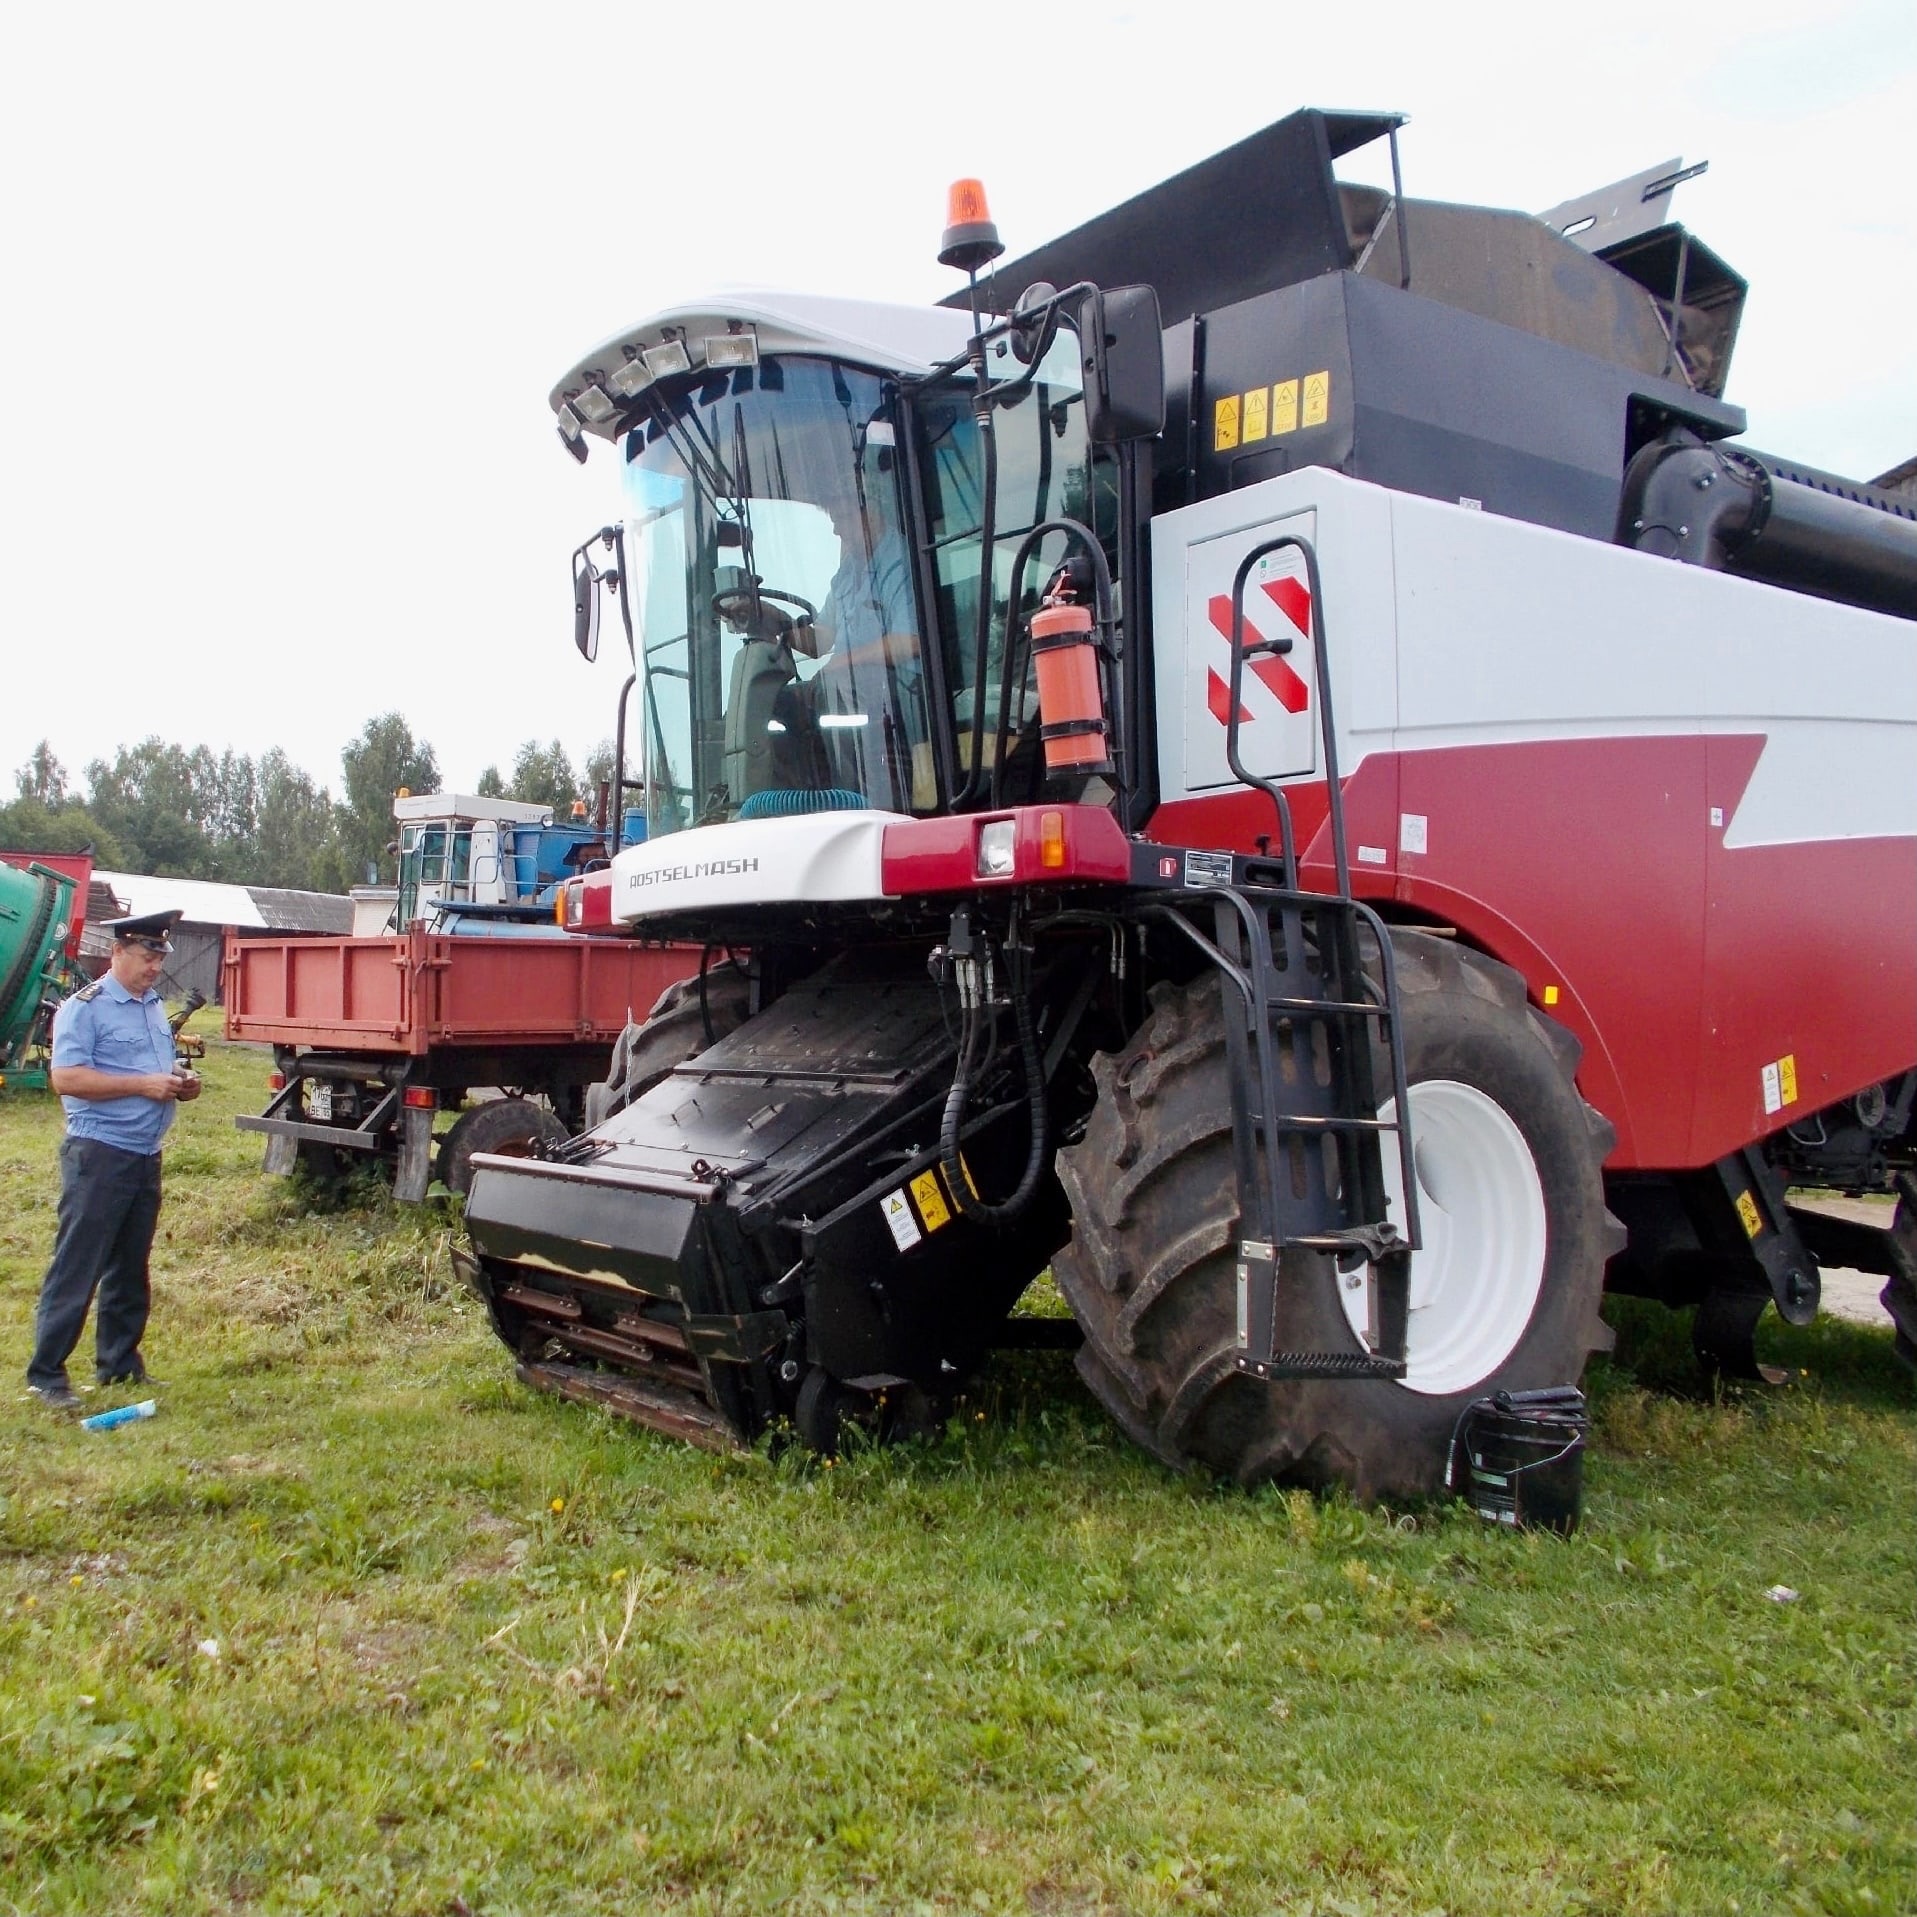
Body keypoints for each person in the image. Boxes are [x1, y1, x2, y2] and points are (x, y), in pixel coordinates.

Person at [25, 910, 200, 1411]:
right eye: (147, 958)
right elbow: (67, 1079)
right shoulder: (86, 1008)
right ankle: (46, 1375)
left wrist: (181, 1084)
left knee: (129, 1266)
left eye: (159, 959)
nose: (154, 968)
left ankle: (119, 1365)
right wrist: (141, 1085)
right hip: (100, 1154)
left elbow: (158, 1069)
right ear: (119, 952)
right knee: (78, 1264)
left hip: (145, 1154)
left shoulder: (150, 1007)